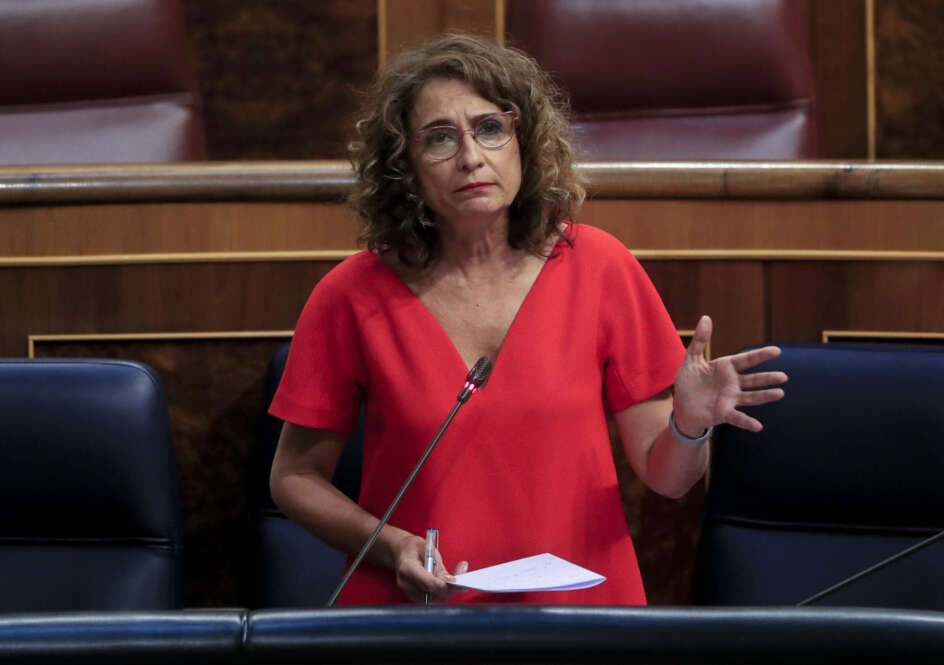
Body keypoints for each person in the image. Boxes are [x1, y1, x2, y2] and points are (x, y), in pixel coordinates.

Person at [268, 33, 787, 605]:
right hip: (415, 616)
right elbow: (294, 477)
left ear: (525, 142)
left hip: (576, 619)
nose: (472, 157)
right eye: (440, 139)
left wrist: (690, 425)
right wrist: (390, 545)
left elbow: (669, 477)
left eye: (491, 128)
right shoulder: (351, 296)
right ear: (404, 165)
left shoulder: (600, 267)